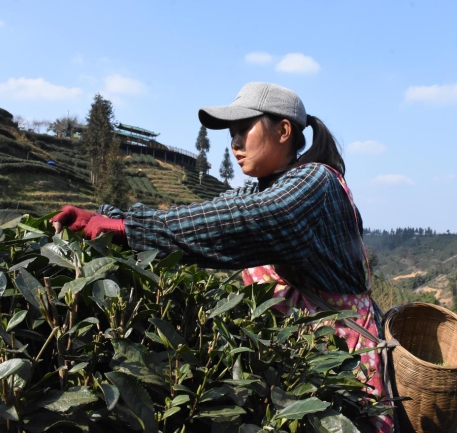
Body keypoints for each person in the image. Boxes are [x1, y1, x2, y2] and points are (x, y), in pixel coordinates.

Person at [50, 82, 394, 432]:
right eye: (231, 134)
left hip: (339, 359)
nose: (234, 144)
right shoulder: (264, 186)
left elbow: (244, 221)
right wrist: (111, 217)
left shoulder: (314, 182)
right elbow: (208, 213)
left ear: (284, 130)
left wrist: (125, 229)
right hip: (296, 355)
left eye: (244, 129)